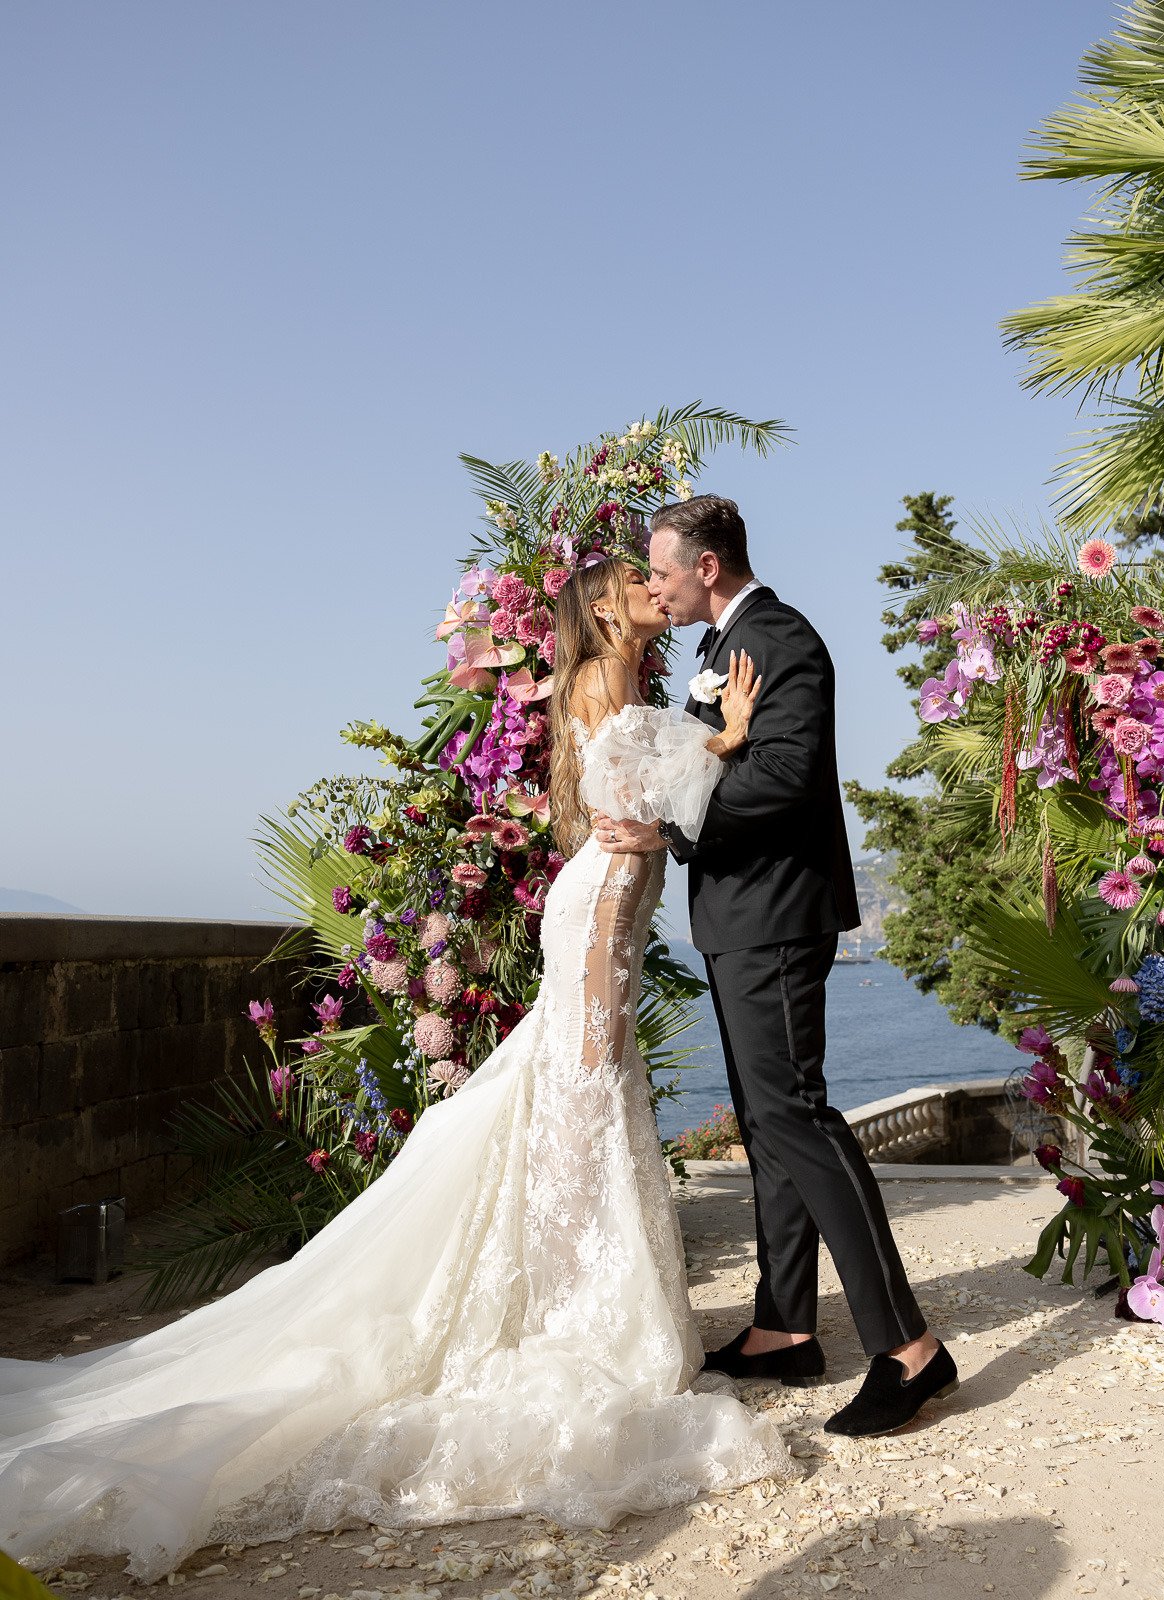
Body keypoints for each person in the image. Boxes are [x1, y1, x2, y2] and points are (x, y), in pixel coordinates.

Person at [0, 557, 787, 1582]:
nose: (652, 588)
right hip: (597, 913)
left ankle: (582, 1299)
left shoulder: (622, 683)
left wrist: (701, 746)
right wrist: (724, 736)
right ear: (602, 607)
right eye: (637, 581)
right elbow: (638, 805)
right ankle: (570, 1314)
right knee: (584, 1100)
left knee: (587, 1108)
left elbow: (640, 807)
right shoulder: (602, 681)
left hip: (606, 903)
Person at [594, 496, 959, 1438]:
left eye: (662, 569)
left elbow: (784, 775)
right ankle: (784, 1326)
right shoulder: (722, 647)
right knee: (767, 1122)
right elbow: (711, 757)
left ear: (706, 565)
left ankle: (910, 1350)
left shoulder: (782, 637)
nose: (656, 584)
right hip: (736, 915)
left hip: (775, 912)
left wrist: (671, 822)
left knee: (796, 1115)